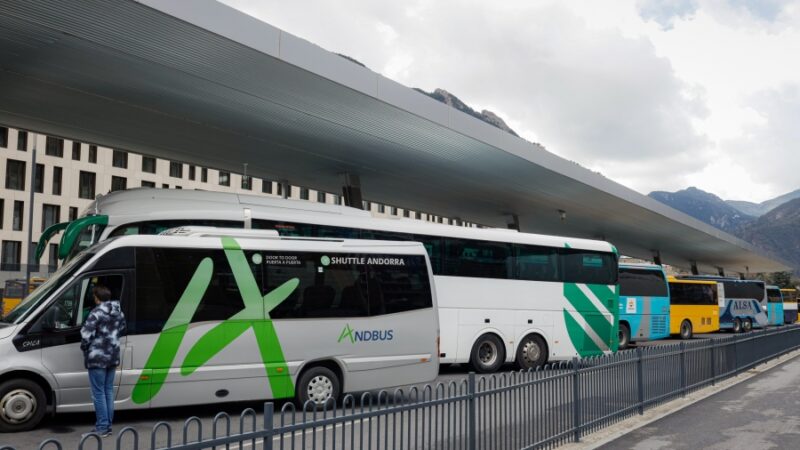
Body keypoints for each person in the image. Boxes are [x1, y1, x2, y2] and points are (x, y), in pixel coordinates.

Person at [80, 285, 126, 437]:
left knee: (98, 393)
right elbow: (122, 328)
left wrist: (86, 348)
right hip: (112, 356)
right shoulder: (118, 313)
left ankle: (102, 428)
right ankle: (107, 426)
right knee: (108, 391)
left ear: (96, 297)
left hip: (97, 358)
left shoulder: (96, 313)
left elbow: (86, 335)